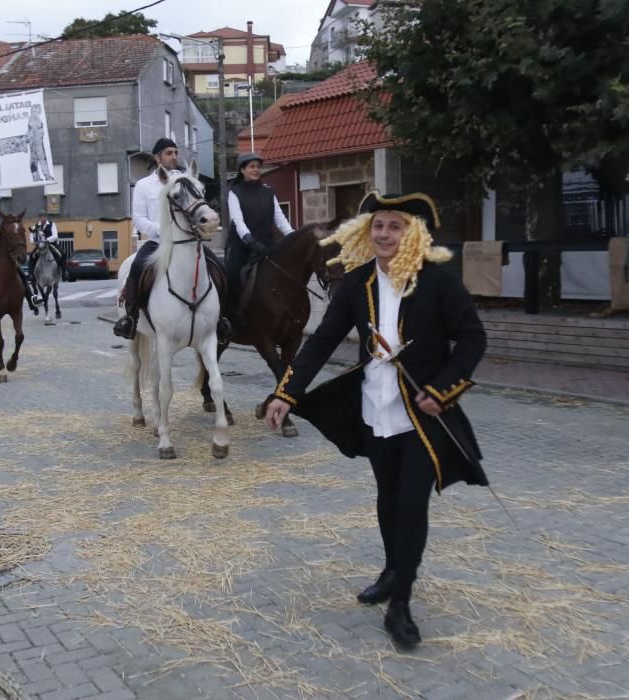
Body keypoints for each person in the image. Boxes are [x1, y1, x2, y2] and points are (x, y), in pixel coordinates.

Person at [264, 191, 488, 648]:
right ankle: (391, 571)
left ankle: (401, 603)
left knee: (411, 503)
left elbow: (472, 340)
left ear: (413, 233)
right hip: (375, 409)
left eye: (395, 226)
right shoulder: (359, 283)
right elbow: (323, 340)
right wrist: (286, 392)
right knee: (388, 498)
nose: (384, 234)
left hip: (421, 414)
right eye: (379, 226)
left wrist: (443, 389)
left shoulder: (439, 282)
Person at [114, 138, 230, 341]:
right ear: (157, 157)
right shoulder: (143, 185)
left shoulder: (184, 181)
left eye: (175, 152)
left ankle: (221, 318)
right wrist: (160, 230)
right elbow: (139, 218)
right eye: (169, 153)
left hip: (187, 241)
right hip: (156, 242)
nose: (174, 157)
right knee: (137, 268)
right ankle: (130, 320)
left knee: (217, 267)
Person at [225, 152, 295, 310]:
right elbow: (238, 221)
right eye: (252, 166)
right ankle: (228, 315)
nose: (256, 170)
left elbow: (280, 219)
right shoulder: (234, 192)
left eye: (258, 166)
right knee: (231, 277)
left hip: (267, 245)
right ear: (242, 170)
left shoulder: (268, 192)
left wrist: (294, 236)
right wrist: (250, 240)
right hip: (242, 246)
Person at [28, 212, 66, 281]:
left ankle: (64, 272)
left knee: (62, 253)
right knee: (31, 255)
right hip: (40, 245)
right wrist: (35, 242)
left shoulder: (52, 224)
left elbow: (55, 236)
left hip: (50, 243)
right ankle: (31, 274)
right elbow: (31, 237)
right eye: (41, 217)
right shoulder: (35, 226)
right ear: (39, 218)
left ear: (46, 217)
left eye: (44, 217)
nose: (43, 218)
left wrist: (47, 240)